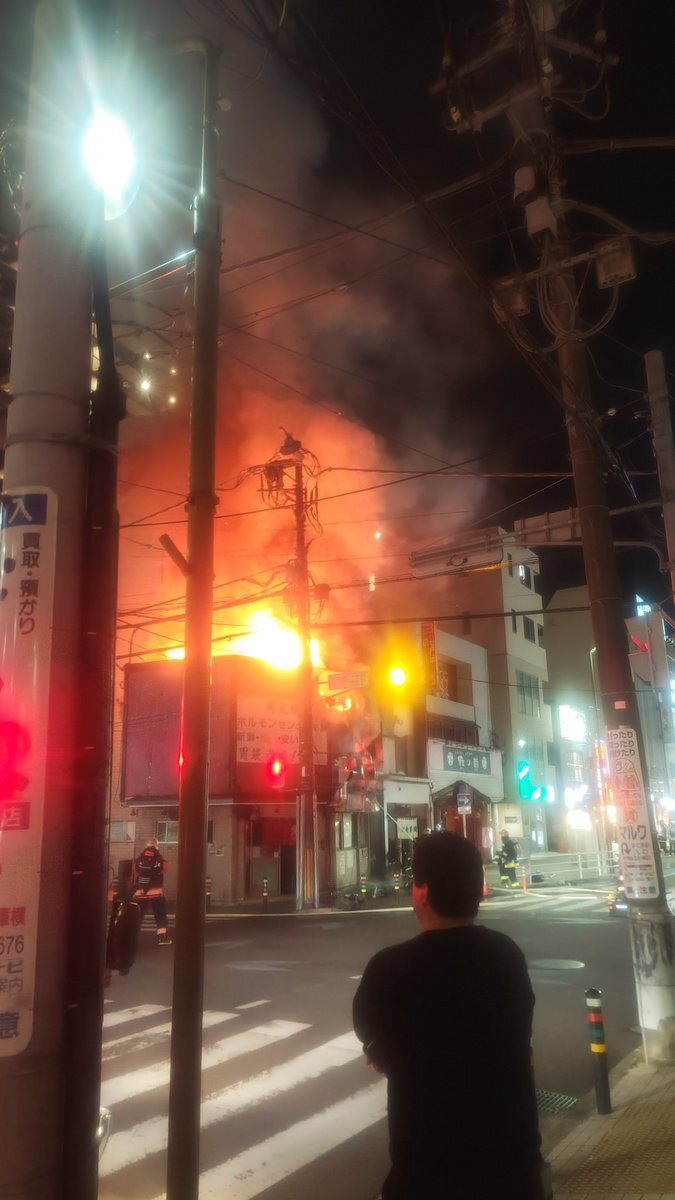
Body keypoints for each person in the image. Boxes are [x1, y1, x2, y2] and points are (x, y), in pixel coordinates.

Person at [353, 832, 543, 1200]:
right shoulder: (507, 955)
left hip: (428, 1168)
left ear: (423, 892)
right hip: (511, 1165)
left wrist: (385, 1051)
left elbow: (371, 1034)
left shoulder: (390, 968)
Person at [132, 837, 172, 944]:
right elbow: (165, 869)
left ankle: (131, 939)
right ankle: (162, 938)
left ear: (147, 846)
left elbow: (135, 872)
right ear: (157, 846)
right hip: (156, 893)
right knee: (160, 916)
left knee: (137, 917)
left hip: (141, 893)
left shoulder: (139, 859)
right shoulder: (160, 858)